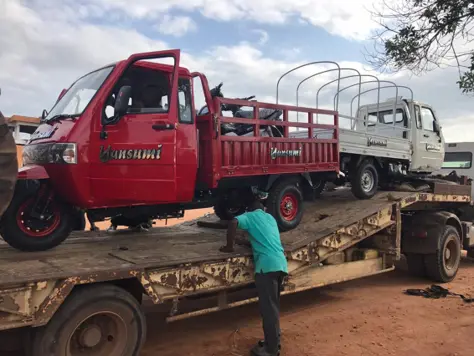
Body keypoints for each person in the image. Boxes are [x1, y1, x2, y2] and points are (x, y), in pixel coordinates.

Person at [219, 199, 288, 356]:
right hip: (280, 264)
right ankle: (273, 341)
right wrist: (246, 242)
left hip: (266, 267)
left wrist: (229, 247)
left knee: (268, 310)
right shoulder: (270, 218)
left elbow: (233, 222)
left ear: (249, 209)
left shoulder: (249, 216)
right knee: (273, 308)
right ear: (263, 208)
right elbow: (266, 239)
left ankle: (271, 350)